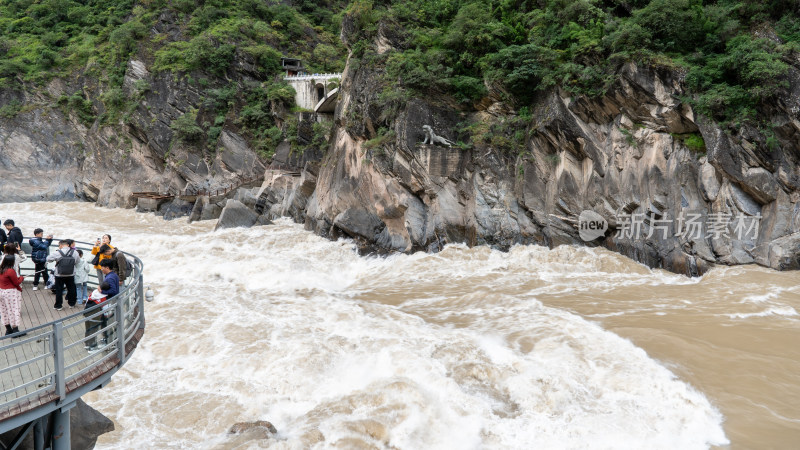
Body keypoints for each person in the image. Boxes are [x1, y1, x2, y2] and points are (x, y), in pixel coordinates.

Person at [47, 240, 80, 310]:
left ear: (61, 245)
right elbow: (77, 262)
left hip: (59, 274)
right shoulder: (75, 252)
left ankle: (58, 305)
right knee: (71, 289)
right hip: (71, 274)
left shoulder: (57, 252)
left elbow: (48, 259)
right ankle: (72, 304)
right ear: (68, 245)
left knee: (59, 289)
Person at [0, 255, 24, 336]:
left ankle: (8, 329)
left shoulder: (1, 269)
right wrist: (21, 278)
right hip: (11, 293)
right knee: (14, 310)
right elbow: (16, 282)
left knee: (4, 310)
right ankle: (15, 330)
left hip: (1, 291)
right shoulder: (10, 271)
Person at [84, 283, 109, 352]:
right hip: (96, 315)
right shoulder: (103, 297)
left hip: (87, 312)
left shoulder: (94, 292)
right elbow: (105, 308)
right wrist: (106, 316)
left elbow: (87, 301)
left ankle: (87, 344)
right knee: (93, 330)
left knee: (88, 328)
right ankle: (92, 347)